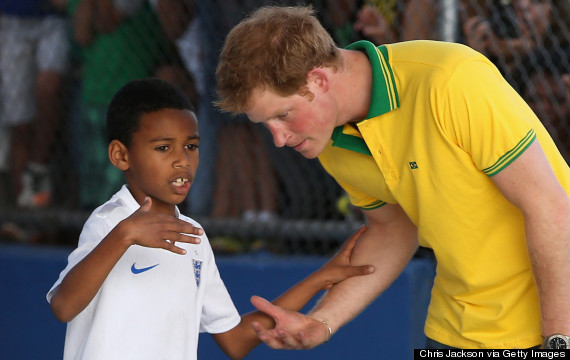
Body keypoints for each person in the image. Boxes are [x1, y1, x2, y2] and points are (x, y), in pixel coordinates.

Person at [215, 6, 570, 350]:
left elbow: (549, 207)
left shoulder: (449, 79)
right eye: (267, 125)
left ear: (318, 79)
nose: (278, 139)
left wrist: (558, 340)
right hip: (454, 330)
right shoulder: (327, 137)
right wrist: (323, 321)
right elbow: (391, 228)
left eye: (284, 115)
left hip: (550, 330)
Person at [46, 78, 374, 359]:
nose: (181, 161)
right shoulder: (110, 222)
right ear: (121, 155)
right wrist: (124, 235)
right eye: (163, 148)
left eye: (191, 146)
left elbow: (235, 340)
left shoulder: (194, 237)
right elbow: (63, 307)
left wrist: (322, 277)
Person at [0, 0, 70, 208]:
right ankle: (23, 212)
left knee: (49, 86)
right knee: (21, 122)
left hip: (53, 19)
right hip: (12, 19)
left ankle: (37, 168)